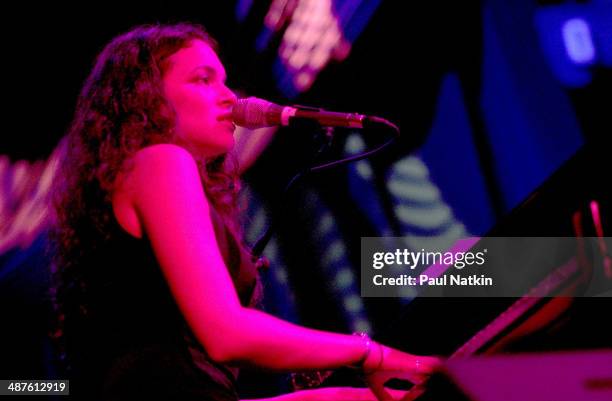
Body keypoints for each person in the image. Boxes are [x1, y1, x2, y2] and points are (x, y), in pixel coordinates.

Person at [50, 22, 439, 400]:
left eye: (223, 79)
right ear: (148, 97)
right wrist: (370, 353)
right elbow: (225, 335)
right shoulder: (161, 161)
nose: (229, 98)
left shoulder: (145, 175)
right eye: (203, 80)